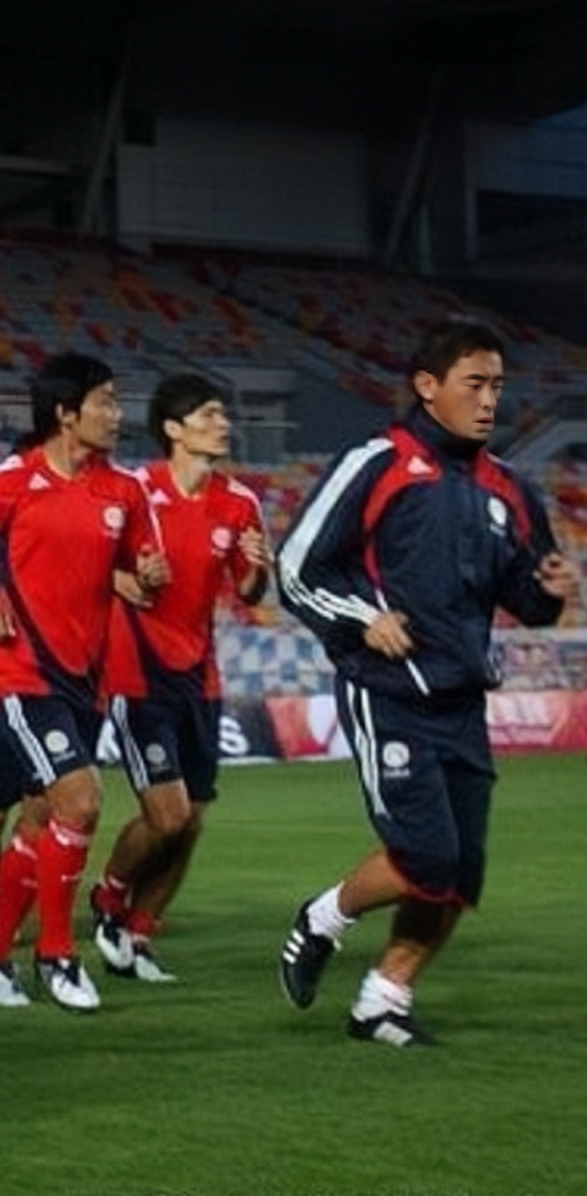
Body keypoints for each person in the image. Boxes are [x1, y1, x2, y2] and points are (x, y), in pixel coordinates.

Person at [275, 320, 576, 1045]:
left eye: (497, 386)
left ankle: (384, 1000)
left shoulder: (509, 489)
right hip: (387, 692)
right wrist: (363, 619)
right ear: (427, 386)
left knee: (460, 873)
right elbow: (296, 567)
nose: (489, 400)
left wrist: (550, 591)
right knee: (426, 856)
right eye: (474, 384)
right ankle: (323, 916)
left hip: (462, 699)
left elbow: (527, 599)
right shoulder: (376, 462)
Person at [0, 353, 166, 1013]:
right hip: (19, 672)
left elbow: (138, 571)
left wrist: (149, 576)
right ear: (65, 412)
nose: (117, 414)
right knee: (81, 801)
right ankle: (57, 953)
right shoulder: (7, 485)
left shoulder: (124, 492)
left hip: (85, 680)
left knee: (42, 818)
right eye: (105, 401)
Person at [90, 375, 269, 982]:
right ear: (173, 428)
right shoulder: (134, 491)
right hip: (137, 671)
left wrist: (258, 571)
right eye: (210, 414)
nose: (223, 424)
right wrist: (128, 580)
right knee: (167, 814)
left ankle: (141, 934)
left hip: (201, 676)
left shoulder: (239, 503)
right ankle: (110, 893)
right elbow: (92, 563)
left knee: (190, 821)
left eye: (223, 414)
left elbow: (249, 591)